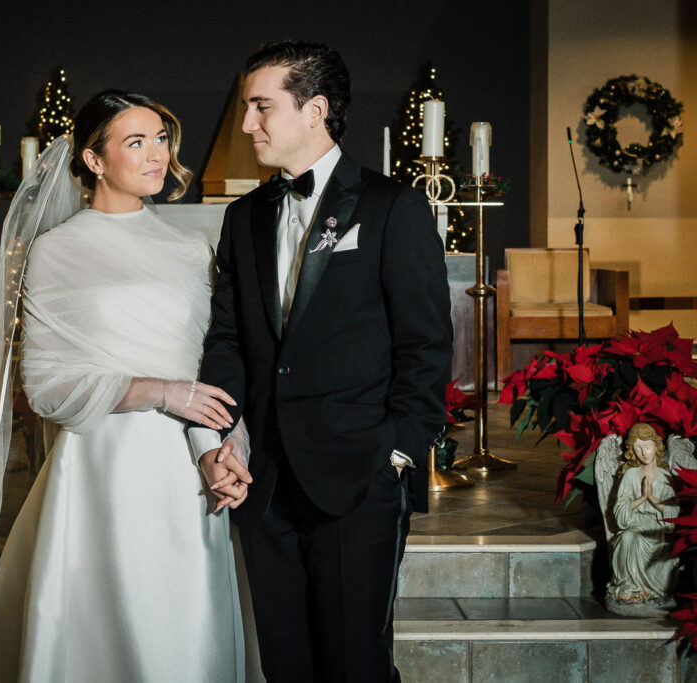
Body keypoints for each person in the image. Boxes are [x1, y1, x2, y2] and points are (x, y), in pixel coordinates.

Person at [0, 90, 253, 682]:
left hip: (191, 471)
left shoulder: (191, 247)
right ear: (94, 160)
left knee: (186, 631)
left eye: (162, 139)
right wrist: (162, 392)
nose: (157, 155)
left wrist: (232, 447)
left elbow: (215, 364)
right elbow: (47, 389)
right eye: (135, 142)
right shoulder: (56, 251)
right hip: (105, 470)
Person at [189, 40, 453, 681]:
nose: (248, 123)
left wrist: (397, 451)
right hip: (265, 485)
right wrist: (224, 436)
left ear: (316, 110)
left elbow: (425, 346)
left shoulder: (395, 209)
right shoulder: (244, 218)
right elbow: (227, 338)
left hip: (359, 478)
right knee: (286, 663)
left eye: (261, 107)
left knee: (355, 663)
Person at [608, 422, 678, 606]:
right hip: (635, 525)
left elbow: (674, 513)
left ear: (656, 446)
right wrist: (641, 498)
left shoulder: (666, 477)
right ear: (632, 451)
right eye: (638, 449)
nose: (644, 453)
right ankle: (628, 586)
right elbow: (620, 511)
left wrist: (653, 499)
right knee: (628, 538)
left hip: (657, 529)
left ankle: (656, 591)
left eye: (647, 447)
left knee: (667, 549)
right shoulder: (630, 475)